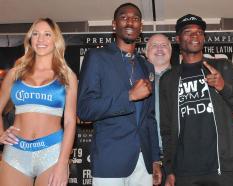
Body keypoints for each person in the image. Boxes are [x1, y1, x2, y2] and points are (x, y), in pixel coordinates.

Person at [159, 14, 233, 186]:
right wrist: (169, 170)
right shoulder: (169, 79)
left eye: (199, 32)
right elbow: (166, 130)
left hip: (223, 168)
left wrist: (223, 87)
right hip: (184, 172)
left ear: (204, 37)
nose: (194, 35)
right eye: (188, 32)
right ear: (178, 39)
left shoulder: (222, 66)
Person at [77, 3, 161, 186]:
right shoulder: (96, 57)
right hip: (110, 160)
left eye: (136, 18)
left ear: (141, 26)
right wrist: (129, 96)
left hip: (143, 162)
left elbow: (149, 118)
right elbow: (84, 109)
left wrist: (155, 159)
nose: (130, 21)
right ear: (114, 25)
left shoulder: (147, 66)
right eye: (124, 17)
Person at [0, 18, 77, 186]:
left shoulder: (67, 76)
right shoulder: (15, 73)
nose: (40, 39)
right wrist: (0, 133)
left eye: (47, 34)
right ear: (30, 39)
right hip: (15, 152)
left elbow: (70, 122)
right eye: (36, 34)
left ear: (55, 40)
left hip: (51, 154)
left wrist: (63, 163)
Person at [146, 33, 172, 185]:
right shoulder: (134, 80)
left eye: (164, 45)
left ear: (171, 50)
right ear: (146, 51)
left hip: (179, 157)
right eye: (155, 45)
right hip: (144, 157)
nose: (160, 49)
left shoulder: (182, 78)